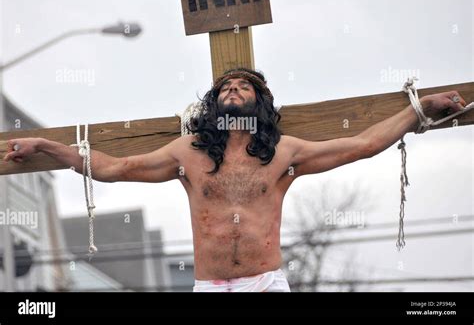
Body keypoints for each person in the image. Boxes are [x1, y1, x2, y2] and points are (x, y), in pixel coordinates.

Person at [3, 68, 467, 292]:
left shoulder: (283, 153)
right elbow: (115, 168)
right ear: (214, 103)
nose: (233, 89)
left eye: (244, 86)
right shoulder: (189, 153)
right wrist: (48, 147)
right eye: (226, 87)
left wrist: (418, 110)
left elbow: (363, 143)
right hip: (209, 287)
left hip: (265, 283)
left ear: (260, 102)